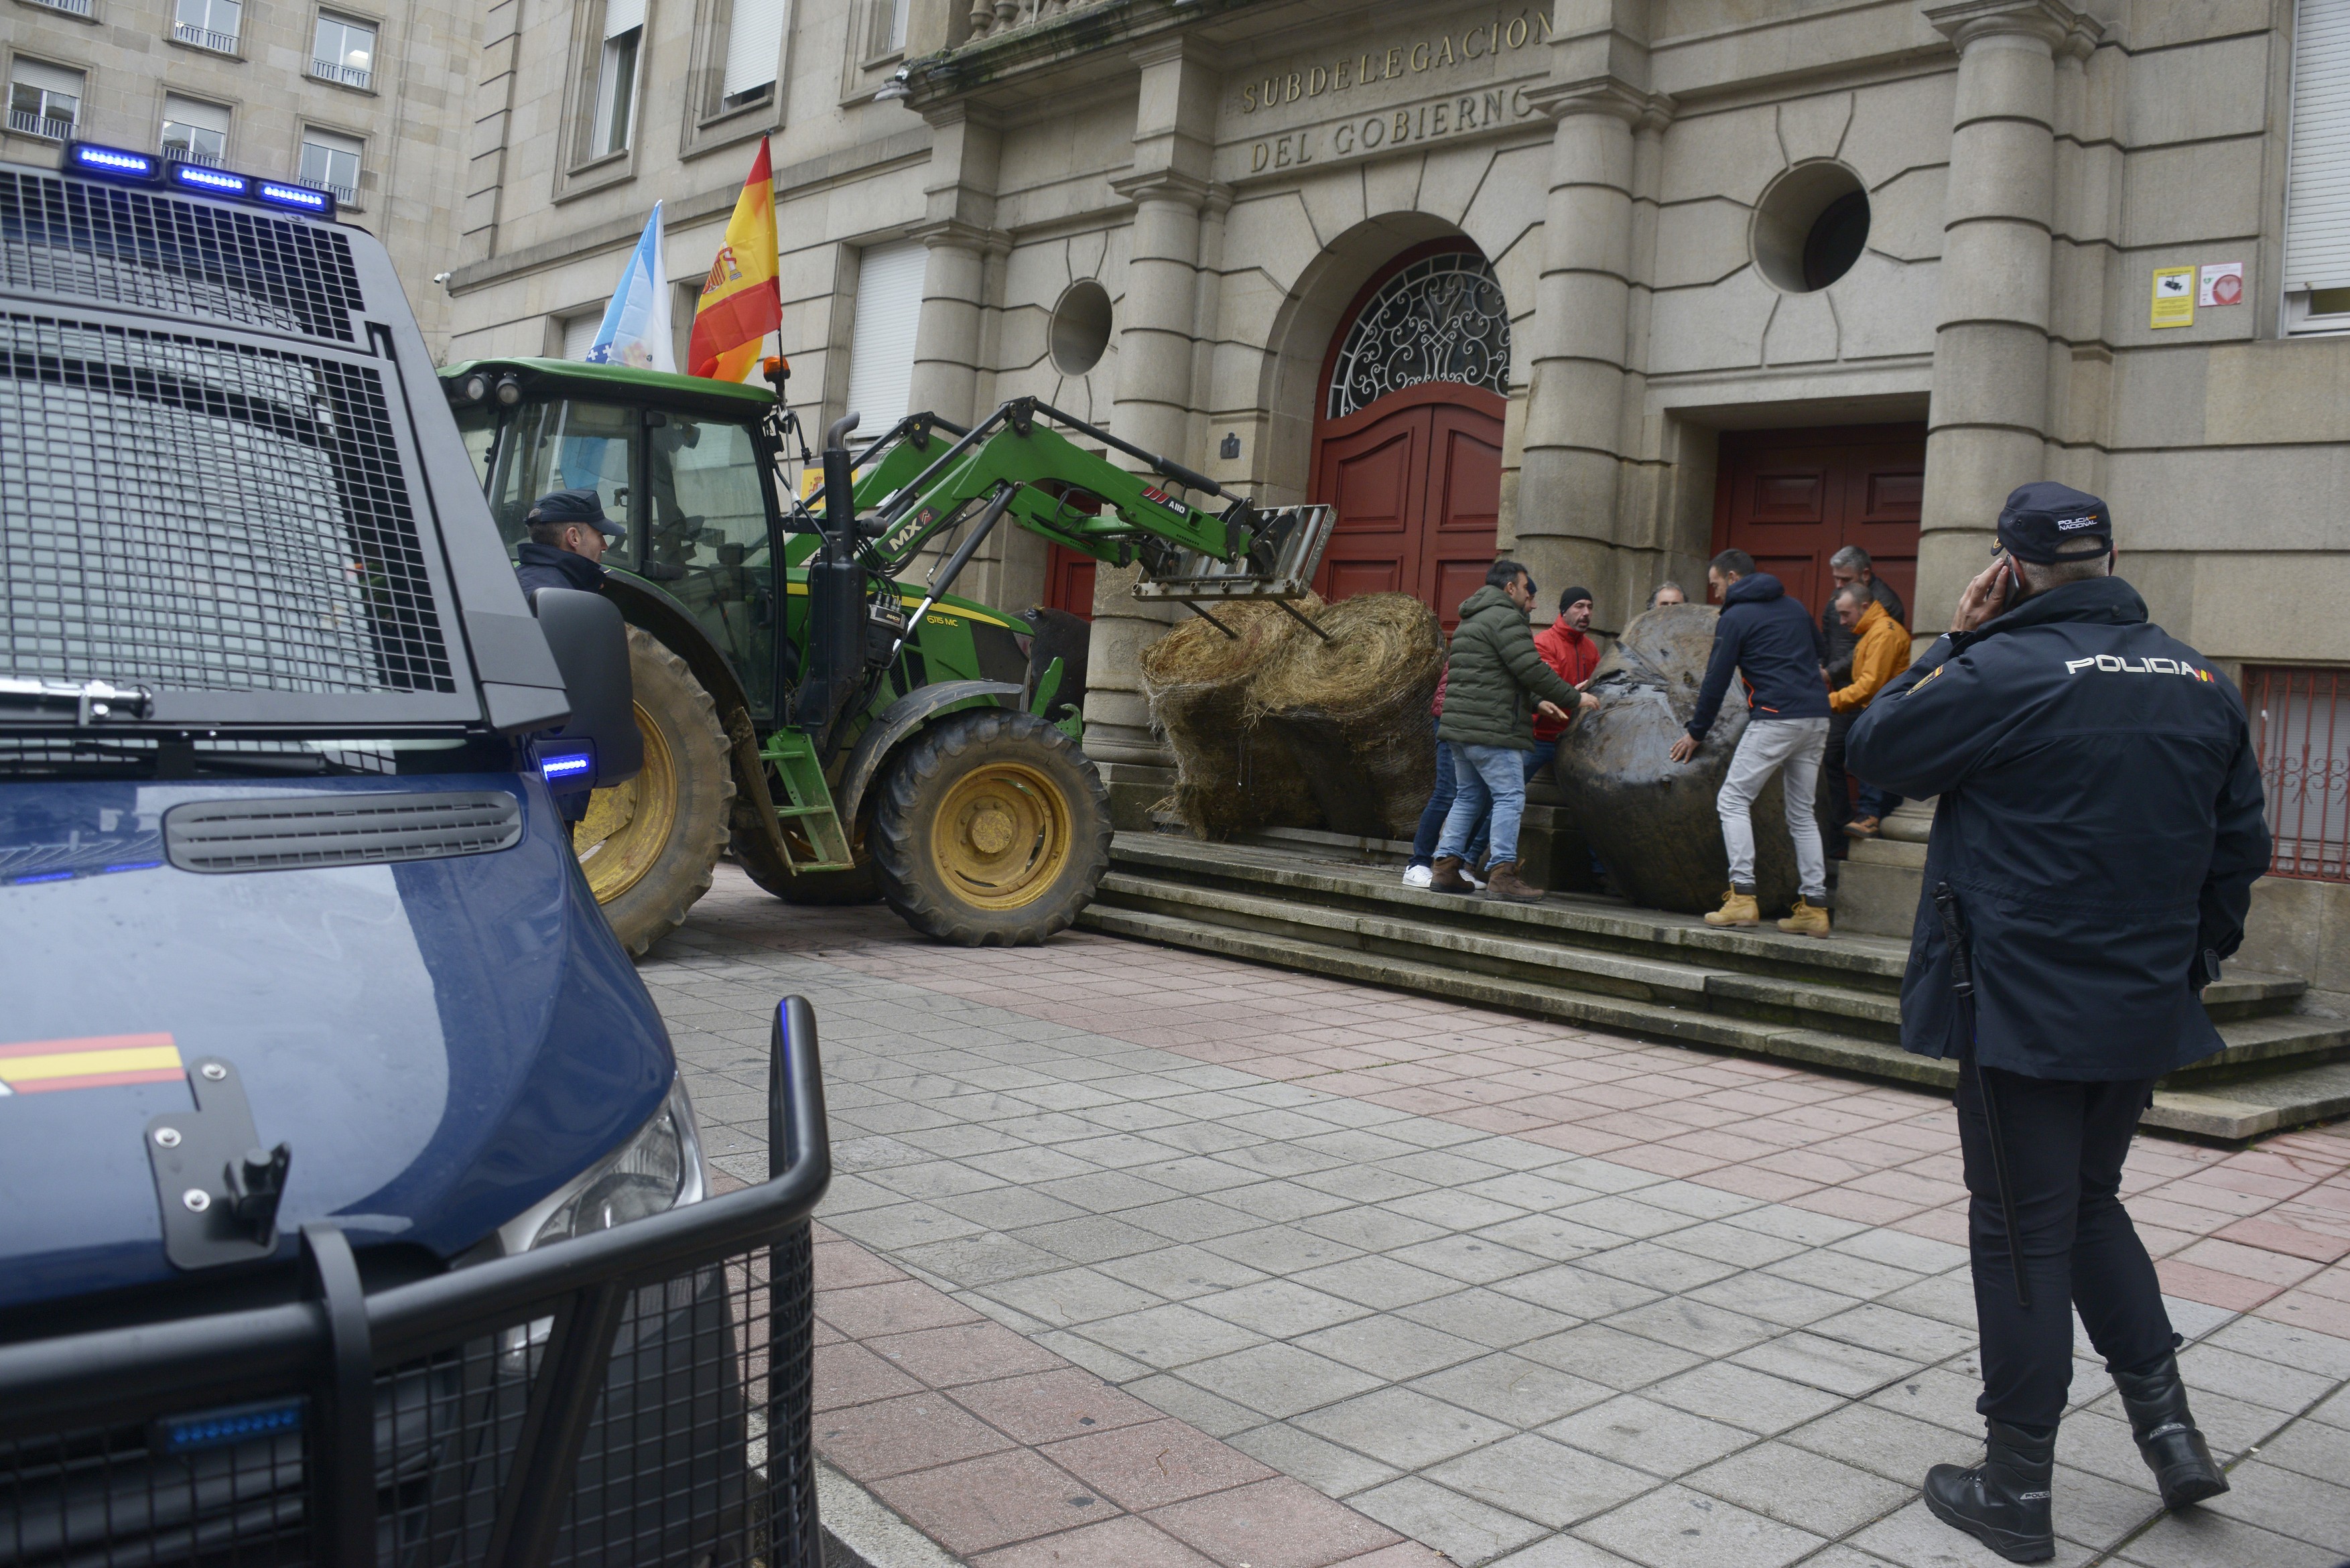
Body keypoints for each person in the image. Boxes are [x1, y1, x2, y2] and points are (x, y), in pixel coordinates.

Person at [1847, 482, 2268, 1564]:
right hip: (2138, 1002)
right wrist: (2186, 968)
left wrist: (1954, 636)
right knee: (2085, 1208)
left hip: (2017, 1005)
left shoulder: (1999, 667)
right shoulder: (2200, 681)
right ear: (2112, 556)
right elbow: (2236, 860)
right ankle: (2170, 1437)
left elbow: (1876, 751)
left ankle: (2016, 1489)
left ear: (2010, 566)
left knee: (2022, 1233)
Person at [1668, 549, 1833, 935]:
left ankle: (1742, 897)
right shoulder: (1793, 606)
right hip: (1817, 717)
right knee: (1802, 814)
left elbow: (1715, 679)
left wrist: (1696, 731)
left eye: (1716, 585)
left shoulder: (1736, 616)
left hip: (1776, 717)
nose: (1715, 594)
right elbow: (1822, 653)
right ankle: (1815, 907)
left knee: (1732, 799)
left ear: (1733, 577)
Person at [1431, 560, 1597, 903]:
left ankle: (1445, 868)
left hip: (1462, 728)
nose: (1533, 602)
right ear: (1510, 589)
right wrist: (1574, 697)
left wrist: (1537, 702)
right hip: (1492, 730)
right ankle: (1503, 872)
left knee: (1468, 796)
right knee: (1510, 796)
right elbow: (1530, 669)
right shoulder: (1506, 618)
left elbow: (1502, 674)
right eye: (1527, 592)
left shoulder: (1472, 618)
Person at [1819, 545, 1908, 856]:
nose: (1841, 620)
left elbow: (1869, 686)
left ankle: (1870, 817)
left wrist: (1828, 701)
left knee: (1870, 759)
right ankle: (1867, 819)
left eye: (1846, 614)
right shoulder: (1870, 631)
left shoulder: (1882, 631)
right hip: (1867, 707)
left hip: (1878, 710)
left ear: (1865, 606)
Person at [1402, 666, 1490, 889]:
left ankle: (1455, 865)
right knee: (1447, 792)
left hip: (1480, 721)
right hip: (1453, 716)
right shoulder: (1478, 634)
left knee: (1482, 797)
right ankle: (1418, 864)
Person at [1528, 586, 1602, 782]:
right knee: (1508, 794)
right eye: (1579, 606)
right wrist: (1574, 694)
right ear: (1564, 611)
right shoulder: (1544, 642)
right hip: (1540, 737)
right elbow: (1548, 687)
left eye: (1590, 607)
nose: (1586, 613)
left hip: (1575, 738)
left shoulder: (1591, 647)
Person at [515, 487, 625, 594]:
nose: (605, 546)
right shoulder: (559, 598)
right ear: (574, 537)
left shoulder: (517, 582)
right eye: (600, 536)